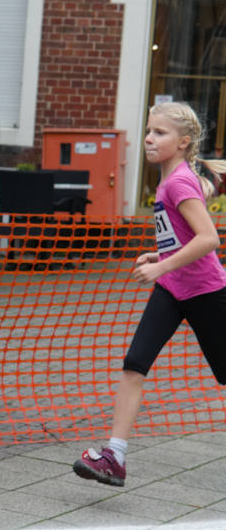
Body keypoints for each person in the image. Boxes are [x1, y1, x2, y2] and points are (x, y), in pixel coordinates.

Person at [74, 102, 226, 487]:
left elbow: (208, 239)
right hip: (172, 289)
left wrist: (161, 266)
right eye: (148, 130)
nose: (148, 138)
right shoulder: (169, 178)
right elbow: (185, 236)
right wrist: (162, 255)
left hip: (205, 291)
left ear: (183, 142)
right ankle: (114, 456)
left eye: (160, 133)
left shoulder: (178, 182)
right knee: (135, 362)